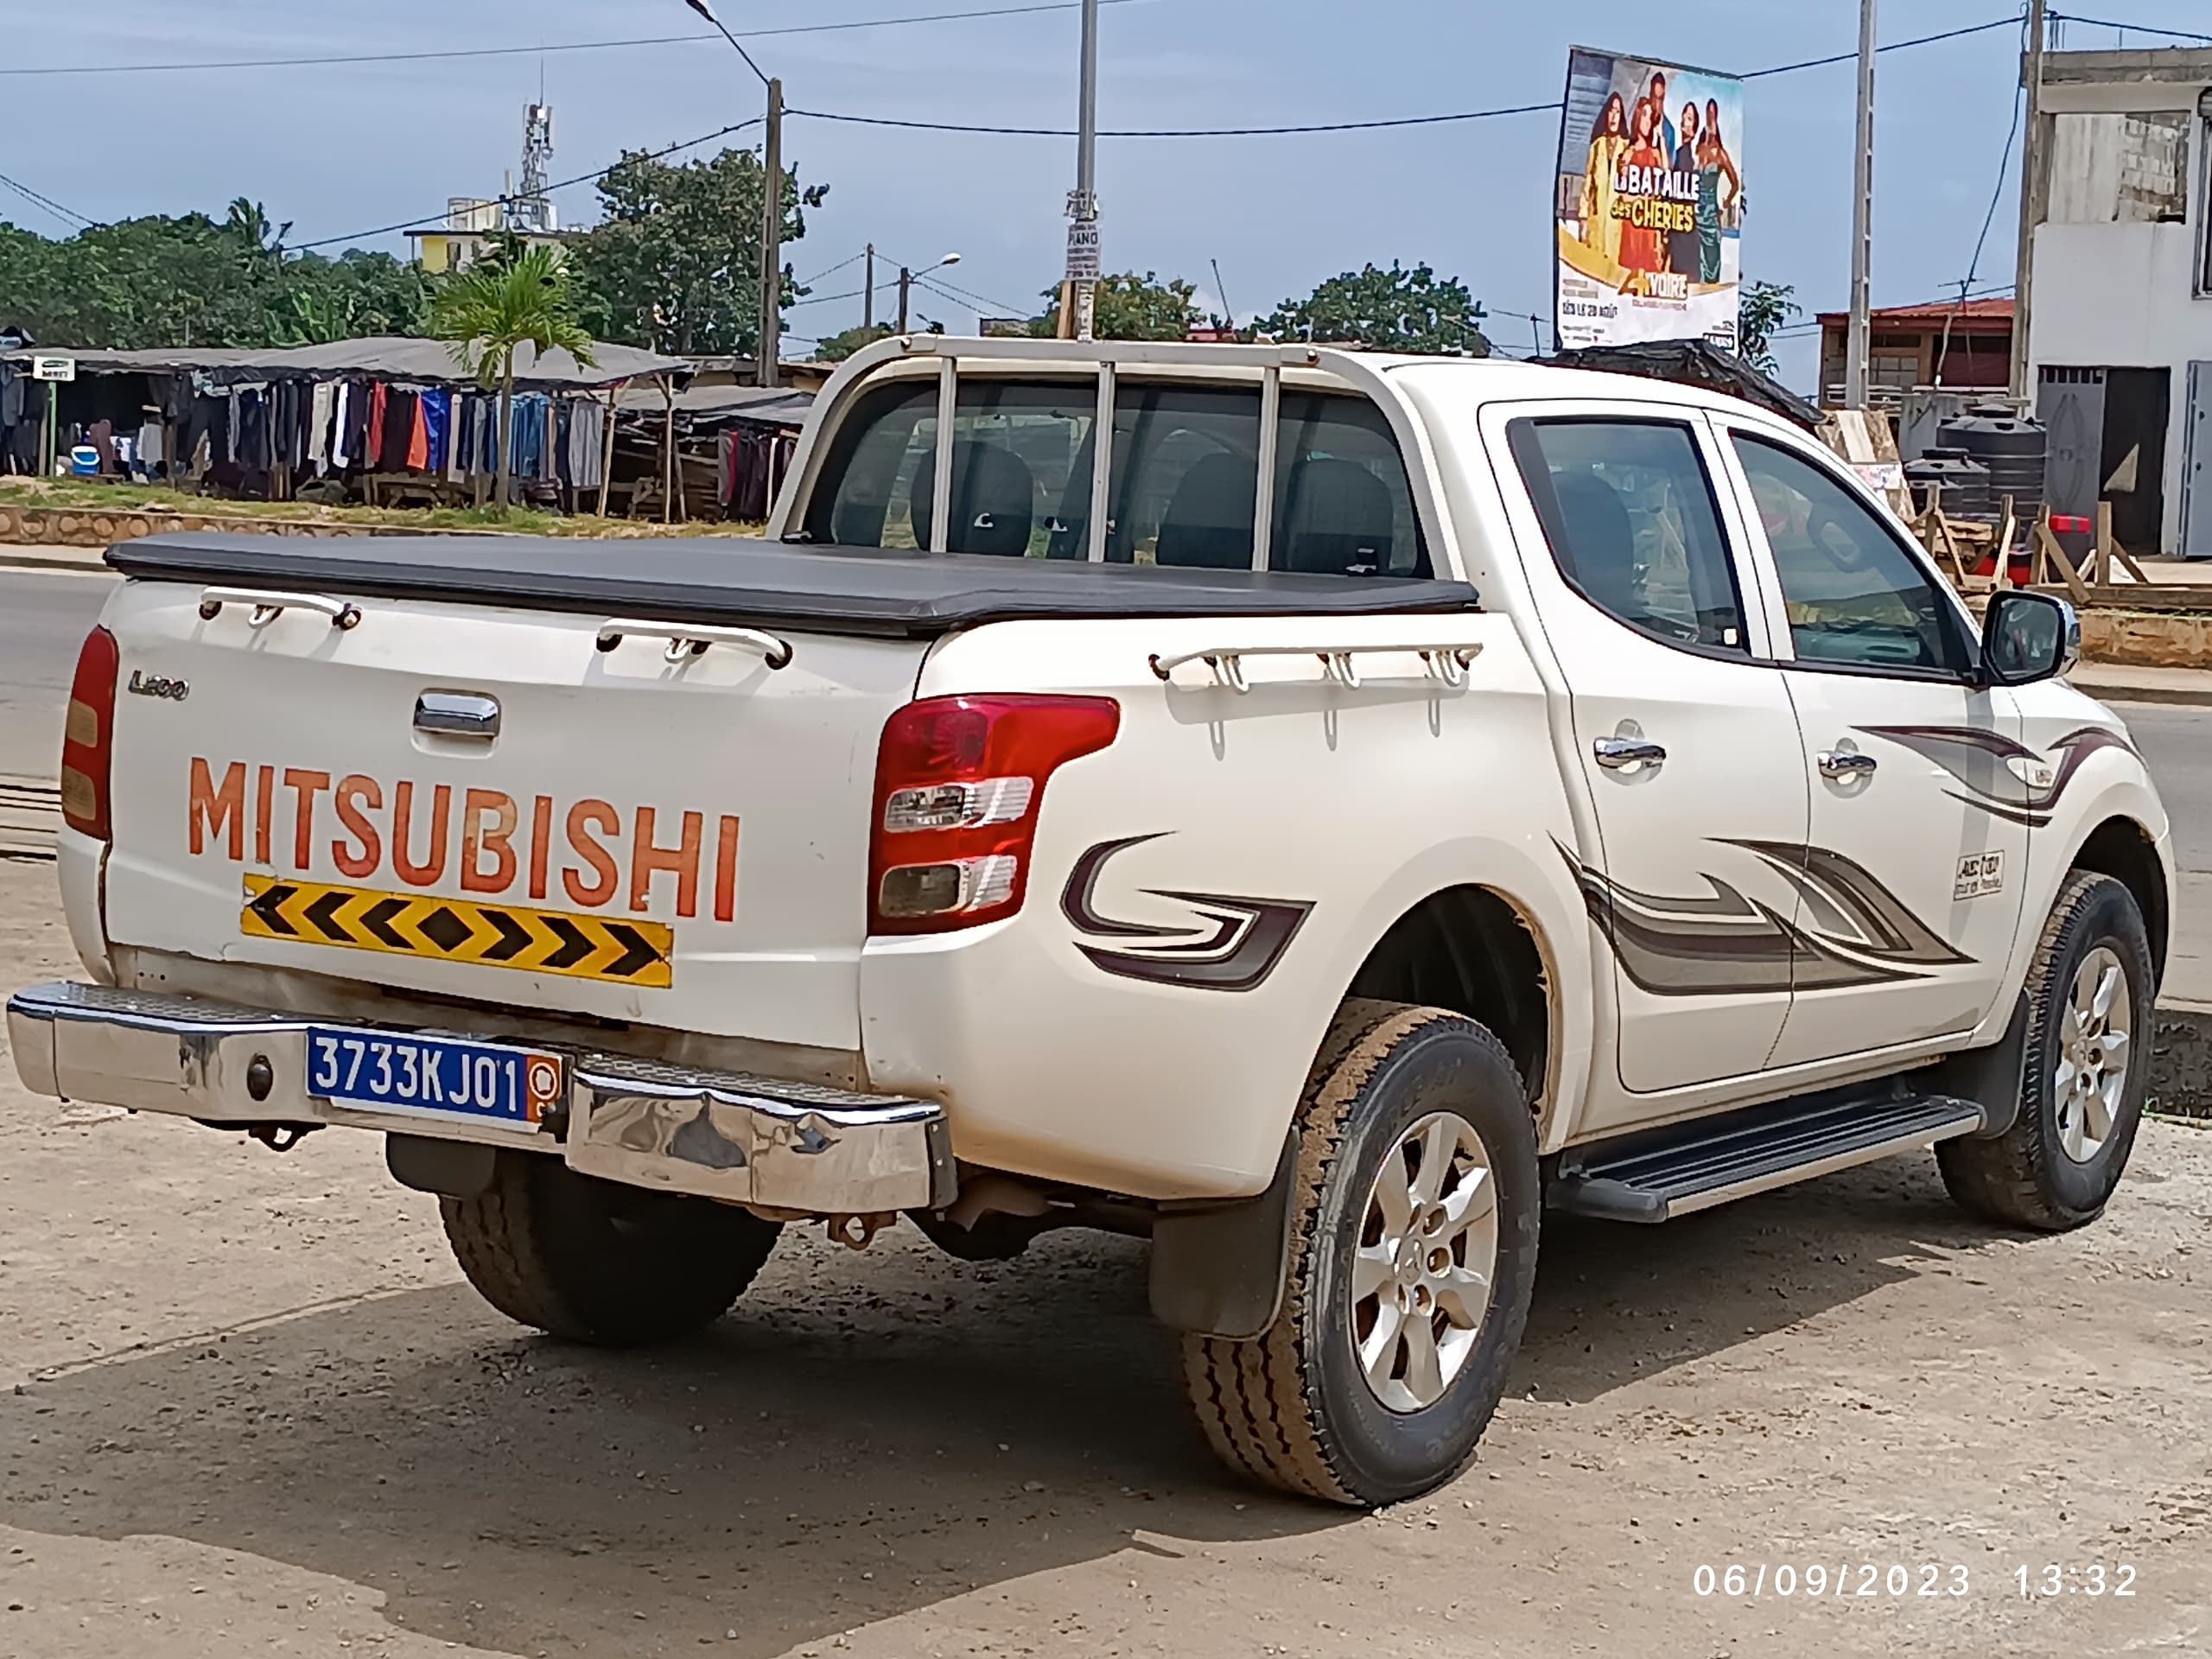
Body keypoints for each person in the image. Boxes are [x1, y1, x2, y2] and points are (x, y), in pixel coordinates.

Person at [1578, 92, 1630, 270]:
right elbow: (1587, 185)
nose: (1614, 116)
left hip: (1616, 227)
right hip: (1596, 223)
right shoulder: (1597, 146)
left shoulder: (1626, 148)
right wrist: (1583, 220)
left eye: (1617, 111)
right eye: (1611, 111)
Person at [1616, 99, 1668, 278]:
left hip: (1650, 224)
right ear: (1637, 117)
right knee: (1630, 273)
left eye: (1650, 117)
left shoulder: (1655, 153)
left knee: (1651, 273)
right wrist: (1641, 201)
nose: (1647, 121)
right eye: (1644, 115)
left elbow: (1668, 177)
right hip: (1633, 224)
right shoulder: (1628, 154)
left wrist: (1660, 135)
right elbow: (1623, 195)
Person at [1696, 98, 1744, 286]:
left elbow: (1735, 183)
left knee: (1711, 259)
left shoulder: (1721, 154)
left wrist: (1727, 203)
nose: (1710, 121)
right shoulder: (1698, 149)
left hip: (1710, 213)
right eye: (1708, 115)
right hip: (1693, 212)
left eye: (1713, 116)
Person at [1667, 101, 1703, 278]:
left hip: (1684, 230)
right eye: (1684, 116)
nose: (1684, 121)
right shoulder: (1679, 152)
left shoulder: (1687, 155)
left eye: (1689, 118)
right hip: (1677, 225)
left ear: (1694, 129)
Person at [1642, 70, 1677, 156]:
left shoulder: (1669, 130)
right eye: (1654, 97)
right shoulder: (1641, 121)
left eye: (1660, 98)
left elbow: (1670, 164)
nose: (1657, 103)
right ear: (1650, 95)